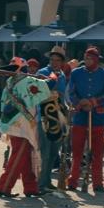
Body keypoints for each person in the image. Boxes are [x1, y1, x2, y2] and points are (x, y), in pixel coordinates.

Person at [0, 59, 54, 197]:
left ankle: (30, 188)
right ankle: (3, 187)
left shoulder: (10, 82)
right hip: (21, 126)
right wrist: (49, 77)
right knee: (18, 157)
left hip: (14, 123)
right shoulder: (26, 81)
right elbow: (52, 84)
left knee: (25, 157)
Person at [66, 47, 104, 193]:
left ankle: (98, 183)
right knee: (77, 151)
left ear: (97, 59)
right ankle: (73, 181)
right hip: (80, 116)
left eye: (90, 58)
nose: (87, 61)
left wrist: (93, 101)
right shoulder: (76, 73)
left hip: (97, 117)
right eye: (86, 58)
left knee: (97, 153)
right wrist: (81, 102)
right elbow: (70, 92)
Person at [36, 46, 68, 192]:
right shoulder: (42, 73)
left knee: (54, 152)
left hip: (58, 116)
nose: (54, 62)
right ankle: (41, 183)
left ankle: (47, 180)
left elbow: (63, 95)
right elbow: (36, 93)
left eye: (57, 60)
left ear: (62, 62)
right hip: (44, 116)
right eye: (52, 59)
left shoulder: (62, 76)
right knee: (45, 151)